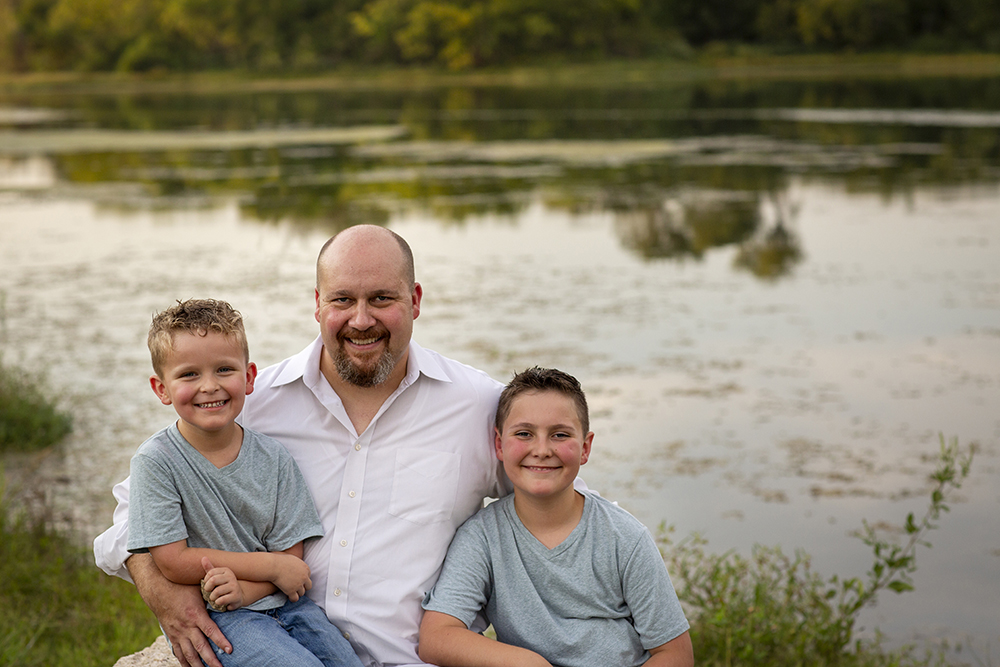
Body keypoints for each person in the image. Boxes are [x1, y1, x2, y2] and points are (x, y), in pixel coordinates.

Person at [95, 225, 510, 667]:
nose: (362, 319)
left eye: (382, 299)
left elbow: (562, 512)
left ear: (416, 300)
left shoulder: (479, 407)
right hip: (273, 637)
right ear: (317, 304)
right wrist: (162, 593)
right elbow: (126, 519)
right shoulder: (251, 403)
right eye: (343, 299)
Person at [128, 298, 362, 667]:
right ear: (162, 388)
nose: (209, 386)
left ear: (249, 377)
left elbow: (292, 561)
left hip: (287, 606)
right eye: (189, 374)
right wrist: (270, 568)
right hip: (222, 618)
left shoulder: (274, 457)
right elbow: (173, 561)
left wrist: (249, 587)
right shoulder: (156, 462)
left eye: (224, 369)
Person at [418, 367, 694, 667]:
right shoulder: (482, 538)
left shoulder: (624, 537)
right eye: (524, 434)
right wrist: (529, 663)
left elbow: (675, 654)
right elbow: (436, 638)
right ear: (499, 444)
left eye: (559, 435)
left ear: (585, 448)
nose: (541, 450)